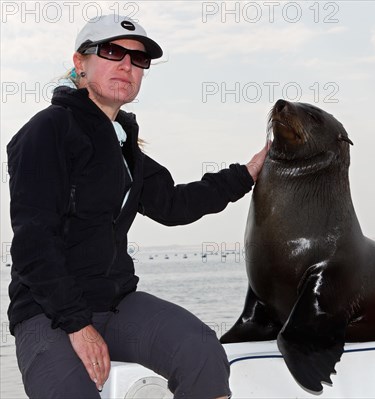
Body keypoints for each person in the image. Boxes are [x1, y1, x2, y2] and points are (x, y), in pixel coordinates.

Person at [6, 15, 269, 399]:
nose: (127, 65)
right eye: (113, 52)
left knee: (200, 352)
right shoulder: (46, 132)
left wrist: (247, 173)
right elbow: (33, 244)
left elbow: (175, 204)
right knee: (68, 390)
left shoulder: (124, 147)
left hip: (116, 304)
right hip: (47, 312)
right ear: (80, 62)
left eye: (138, 59)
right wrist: (78, 326)